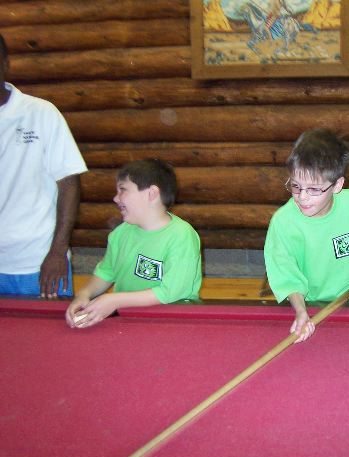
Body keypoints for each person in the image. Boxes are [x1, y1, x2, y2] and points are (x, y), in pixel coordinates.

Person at [264, 128, 349, 343]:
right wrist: (301, 311)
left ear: (337, 185)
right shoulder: (283, 222)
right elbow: (286, 273)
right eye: (295, 186)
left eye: (313, 189)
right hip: (314, 304)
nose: (302, 197)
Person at [65, 159, 202, 329]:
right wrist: (84, 294)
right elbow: (106, 273)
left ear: (152, 194)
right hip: (127, 322)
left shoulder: (181, 236)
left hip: (172, 323)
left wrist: (114, 300)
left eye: (122, 189)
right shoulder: (120, 233)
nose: (115, 198)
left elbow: (170, 292)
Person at [0, 33, 87, 298]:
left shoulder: (41, 113)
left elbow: (69, 183)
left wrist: (58, 251)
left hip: (40, 263)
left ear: (5, 63)